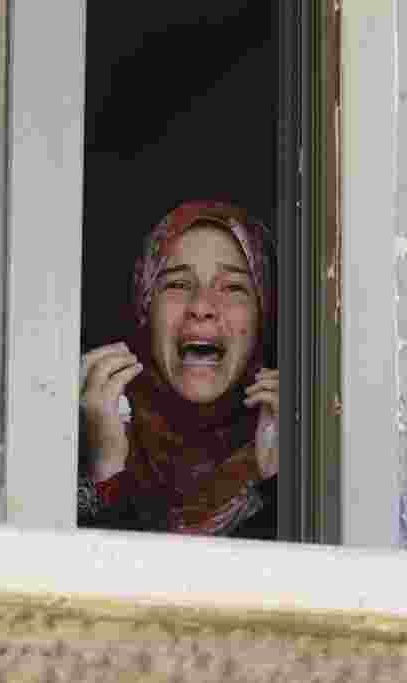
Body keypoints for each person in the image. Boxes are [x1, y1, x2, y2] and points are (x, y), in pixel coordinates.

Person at [77, 200, 279, 538]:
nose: (201, 307)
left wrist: (280, 485)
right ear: (144, 309)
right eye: (176, 285)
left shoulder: (292, 454)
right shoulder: (85, 435)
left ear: (264, 316)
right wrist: (107, 470)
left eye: (233, 288)